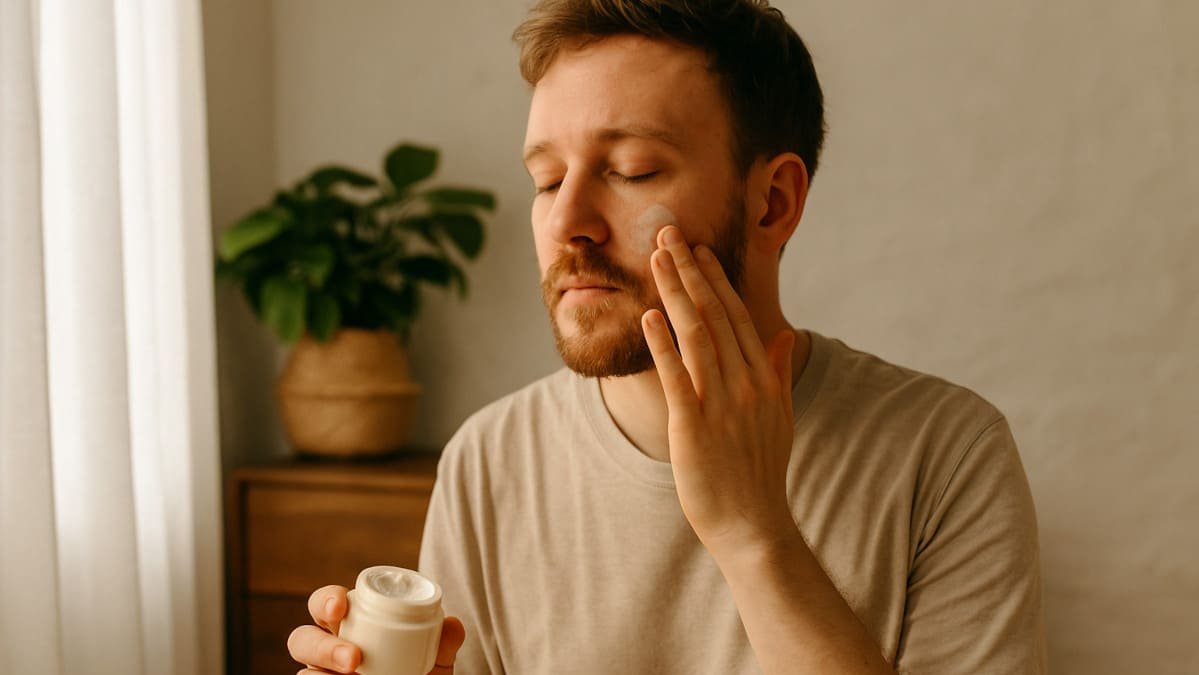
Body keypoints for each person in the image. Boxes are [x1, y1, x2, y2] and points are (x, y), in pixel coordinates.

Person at [287, 1, 1048, 673]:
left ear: (772, 202)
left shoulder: (944, 455)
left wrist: (754, 534)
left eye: (631, 169)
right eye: (547, 179)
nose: (564, 223)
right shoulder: (489, 460)